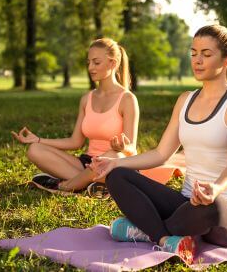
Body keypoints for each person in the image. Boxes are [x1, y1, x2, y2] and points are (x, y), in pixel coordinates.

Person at [89, 25, 227, 264]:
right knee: (118, 176)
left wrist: (215, 189)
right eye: (194, 53)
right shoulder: (185, 100)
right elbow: (161, 153)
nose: (197, 60)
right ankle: (165, 238)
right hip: (186, 204)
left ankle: (146, 229)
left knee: (212, 207)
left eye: (206, 54)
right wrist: (116, 163)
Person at [12, 38, 139, 194]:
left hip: (115, 164)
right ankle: (90, 184)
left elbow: (131, 149)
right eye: (89, 63)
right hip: (87, 164)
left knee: (113, 154)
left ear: (113, 63)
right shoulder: (87, 99)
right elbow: (75, 141)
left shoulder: (127, 99)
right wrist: (38, 139)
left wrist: (124, 147)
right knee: (35, 150)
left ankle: (64, 186)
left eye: (96, 63)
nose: (90, 67)